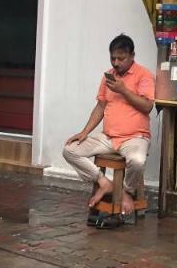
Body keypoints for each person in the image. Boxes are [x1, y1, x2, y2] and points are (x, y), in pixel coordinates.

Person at [64, 34, 154, 220]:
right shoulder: (108, 77)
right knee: (70, 150)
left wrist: (123, 90)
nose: (116, 63)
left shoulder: (144, 75)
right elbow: (100, 107)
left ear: (132, 56)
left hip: (135, 137)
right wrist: (84, 132)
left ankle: (126, 191)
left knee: (137, 161)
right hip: (108, 137)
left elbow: (147, 106)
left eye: (121, 58)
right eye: (113, 58)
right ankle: (105, 183)